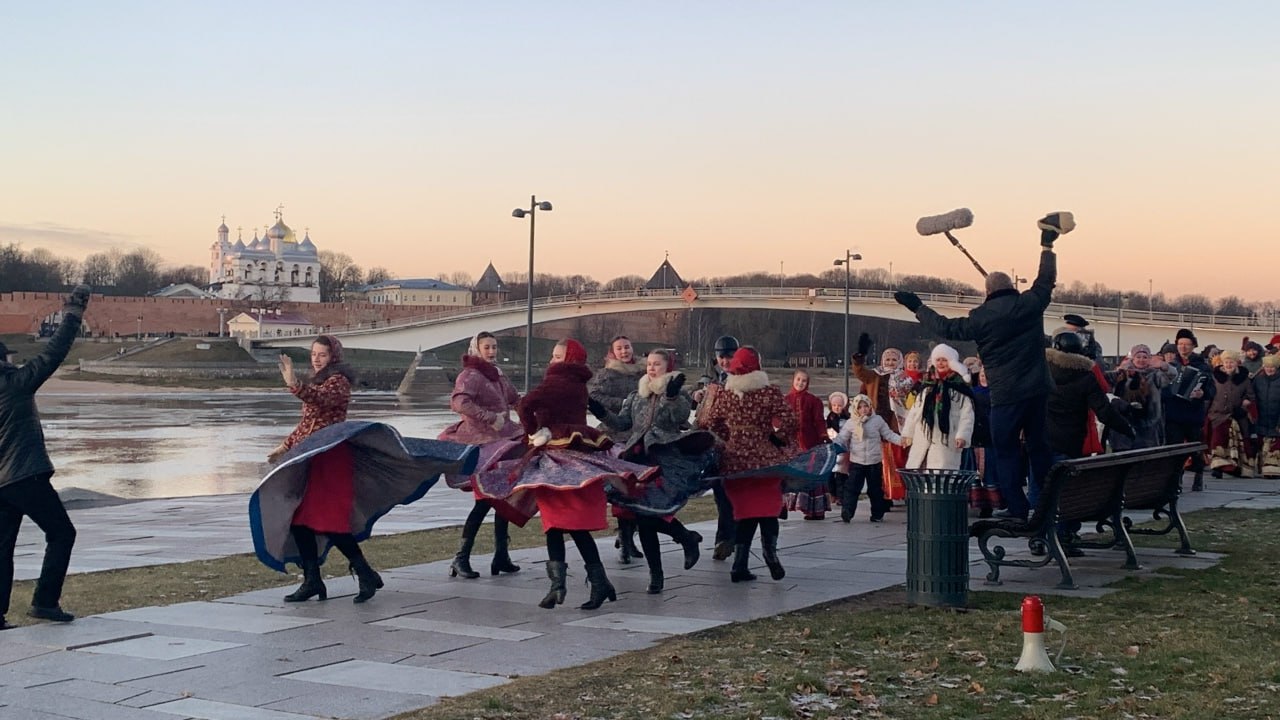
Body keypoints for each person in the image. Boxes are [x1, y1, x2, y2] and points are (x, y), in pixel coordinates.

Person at [895, 212, 1073, 519]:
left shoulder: (980, 318)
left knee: (1004, 451)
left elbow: (945, 327)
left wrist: (917, 306)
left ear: (987, 293)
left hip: (1005, 396)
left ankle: (1017, 509)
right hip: (1037, 391)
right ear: (1010, 288)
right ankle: (1045, 503)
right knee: (1039, 447)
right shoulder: (1030, 304)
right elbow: (1046, 281)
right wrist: (1047, 246)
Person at [473, 339, 656, 610]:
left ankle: (571, 585)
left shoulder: (555, 382)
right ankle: (582, 584)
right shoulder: (579, 384)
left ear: (567, 359)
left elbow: (524, 406)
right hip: (580, 459)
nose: (551, 360)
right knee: (563, 526)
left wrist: (533, 431)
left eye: (556, 356)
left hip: (555, 462)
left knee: (557, 524)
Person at [268, 336, 384, 604]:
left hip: (331, 459)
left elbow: (320, 400)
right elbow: (308, 424)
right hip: (312, 457)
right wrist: (284, 446)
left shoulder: (338, 382)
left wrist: (295, 384)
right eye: (314, 353)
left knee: (328, 521)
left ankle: (364, 573)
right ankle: (313, 581)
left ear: (334, 357)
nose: (317, 358)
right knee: (300, 521)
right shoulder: (318, 381)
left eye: (322, 354)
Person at [1, 285, 91, 629]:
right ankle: (44, 601)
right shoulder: (16, 384)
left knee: (2, 547)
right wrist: (73, 314)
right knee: (62, 533)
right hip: (25, 475)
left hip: (2, 483)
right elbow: (53, 354)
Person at [590, 349, 712, 593]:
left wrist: (672, 395)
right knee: (642, 516)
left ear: (667, 367)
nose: (651, 368)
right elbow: (623, 423)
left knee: (648, 517)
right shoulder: (637, 395)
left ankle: (669, 561)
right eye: (649, 364)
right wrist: (599, 411)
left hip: (665, 459)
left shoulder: (678, 395)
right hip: (639, 459)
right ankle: (681, 544)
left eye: (657, 364)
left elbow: (678, 416)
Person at [698, 347, 797, 582]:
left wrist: (727, 441)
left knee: (745, 513)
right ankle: (769, 553)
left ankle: (739, 565)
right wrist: (777, 437)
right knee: (768, 509)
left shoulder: (725, 395)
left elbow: (711, 424)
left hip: (735, 462)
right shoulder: (769, 392)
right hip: (765, 459)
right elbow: (792, 419)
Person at [438, 332, 523, 579]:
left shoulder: (497, 375)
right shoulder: (470, 375)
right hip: (482, 448)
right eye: (487, 347)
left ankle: (501, 555)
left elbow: (515, 399)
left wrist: (535, 413)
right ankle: (461, 558)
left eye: (494, 346)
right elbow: (459, 403)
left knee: (504, 500)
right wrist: (490, 418)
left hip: (504, 443)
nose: (492, 351)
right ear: (477, 349)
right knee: (485, 501)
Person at [587, 335, 647, 564]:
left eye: (627, 347)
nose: (625, 351)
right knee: (622, 487)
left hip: (638, 434)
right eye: (620, 348)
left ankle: (630, 534)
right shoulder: (607, 374)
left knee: (638, 487)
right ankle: (625, 536)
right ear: (613, 352)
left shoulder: (642, 371)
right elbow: (593, 397)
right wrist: (623, 403)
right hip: (615, 434)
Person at [692, 335, 739, 561]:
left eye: (729, 356)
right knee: (721, 493)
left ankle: (732, 538)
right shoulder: (711, 379)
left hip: (737, 444)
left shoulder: (745, 378)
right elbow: (698, 408)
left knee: (734, 494)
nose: (725, 361)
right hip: (714, 443)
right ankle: (725, 539)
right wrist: (697, 396)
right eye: (721, 357)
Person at [850, 335, 911, 509]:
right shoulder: (874, 375)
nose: (891, 362)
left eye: (894, 359)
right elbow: (859, 372)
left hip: (895, 424)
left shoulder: (905, 378)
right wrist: (859, 357)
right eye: (888, 359)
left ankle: (901, 492)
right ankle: (883, 496)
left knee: (897, 461)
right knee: (878, 463)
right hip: (875, 423)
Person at [901, 344, 975, 471]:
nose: (941, 363)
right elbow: (915, 412)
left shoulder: (960, 389)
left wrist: (962, 435)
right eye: (938, 360)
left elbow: (967, 415)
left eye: (944, 360)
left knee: (942, 473)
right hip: (923, 435)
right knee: (920, 472)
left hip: (947, 438)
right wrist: (907, 433)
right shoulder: (927, 386)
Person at [835, 394, 906, 522]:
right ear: (856, 408)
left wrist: (902, 441)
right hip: (857, 461)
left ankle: (877, 514)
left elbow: (888, 434)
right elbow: (842, 438)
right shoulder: (851, 423)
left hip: (874, 462)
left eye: (866, 406)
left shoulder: (877, 420)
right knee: (852, 488)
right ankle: (847, 512)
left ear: (870, 406)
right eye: (860, 407)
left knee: (875, 490)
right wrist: (834, 446)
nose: (863, 409)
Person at [1164, 328, 1215, 491]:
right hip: (1174, 411)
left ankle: (1198, 474)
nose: (1183, 347)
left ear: (1193, 346)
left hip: (1193, 412)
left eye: (1187, 344)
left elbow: (1212, 389)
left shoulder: (1202, 366)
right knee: (1175, 447)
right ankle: (1176, 478)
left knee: (1195, 446)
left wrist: (1203, 393)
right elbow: (1163, 388)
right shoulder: (1171, 365)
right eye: (1180, 344)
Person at [1110, 344, 1177, 450]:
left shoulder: (1155, 375)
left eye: (1145, 357)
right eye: (1138, 357)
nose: (1141, 360)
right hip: (1125, 421)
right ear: (1133, 358)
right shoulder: (1122, 373)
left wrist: (1165, 366)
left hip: (1149, 422)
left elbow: (1172, 375)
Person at [784, 369, 829, 519]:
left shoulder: (813, 401)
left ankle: (815, 509)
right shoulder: (786, 400)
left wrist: (823, 436)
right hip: (791, 443)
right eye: (798, 380)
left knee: (811, 474)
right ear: (793, 380)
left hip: (810, 442)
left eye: (803, 381)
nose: (800, 383)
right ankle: (784, 507)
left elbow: (819, 421)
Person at [1206, 350, 1256, 478]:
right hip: (1218, 414)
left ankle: (1235, 467)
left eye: (1231, 362)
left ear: (1236, 363)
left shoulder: (1244, 379)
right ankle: (1217, 467)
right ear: (1222, 363)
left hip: (1237, 415)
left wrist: (1245, 404)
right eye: (1226, 362)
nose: (1228, 365)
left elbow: (1250, 396)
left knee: (1239, 442)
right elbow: (1209, 394)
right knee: (1218, 441)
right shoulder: (1215, 377)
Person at [1252, 354, 1280, 478]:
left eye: (1272, 367)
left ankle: (1273, 470)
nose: (1270, 369)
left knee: (1274, 446)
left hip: (1276, 417)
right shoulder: (1258, 380)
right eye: (1267, 367)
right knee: (1261, 444)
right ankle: (1262, 467)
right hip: (1262, 417)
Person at [825, 392, 851, 506]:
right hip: (832, 448)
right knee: (830, 474)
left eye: (839, 405)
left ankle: (841, 496)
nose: (837, 407)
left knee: (842, 474)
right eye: (834, 405)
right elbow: (827, 432)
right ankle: (832, 494)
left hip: (844, 449)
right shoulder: (829, 419)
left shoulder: (847, 419)